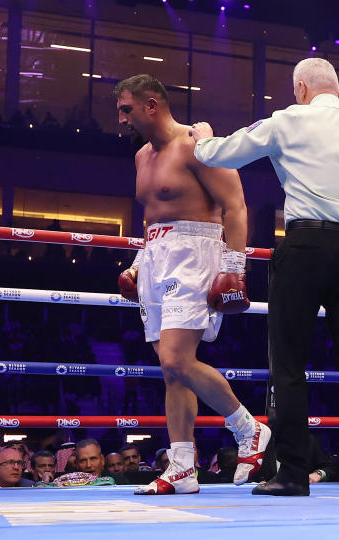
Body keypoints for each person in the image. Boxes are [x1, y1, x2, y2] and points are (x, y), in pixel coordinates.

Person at [191, 57, 339, 496]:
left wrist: (203, 140)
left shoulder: (288, 120)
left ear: (300, 88)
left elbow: (225, 153)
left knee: (289, 361)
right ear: (337, 90)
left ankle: (293, 474)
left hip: (306, 246)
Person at [113, 74, 270, 496]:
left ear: (152, 104)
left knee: (178, 360)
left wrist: (234, 268)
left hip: (196, 255)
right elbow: (151, 221)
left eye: (126, 108)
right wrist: (137, 264)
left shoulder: (197, 145)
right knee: (171, 372)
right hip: (157, 258)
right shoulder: (142, 156)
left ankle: (248, 428)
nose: (121, 117)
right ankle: (181, 466)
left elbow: (236, 207)